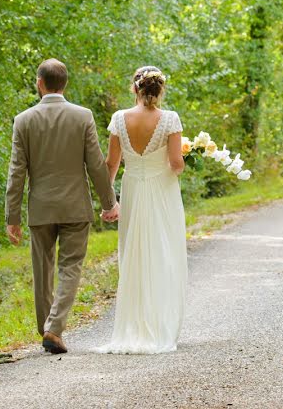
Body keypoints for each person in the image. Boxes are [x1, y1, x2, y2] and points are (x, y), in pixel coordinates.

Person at [4, 58, 119, 354]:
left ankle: (47, 328)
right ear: (64, 84)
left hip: (41, 207)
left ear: (40, 83)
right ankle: (53, 329)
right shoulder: (83, 116)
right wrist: (109, 202)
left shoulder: (23, 120)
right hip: (75, 206)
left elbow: (17, 171)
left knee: (42, 270)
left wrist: (12, 216)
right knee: (70, 267)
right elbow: (95, 164)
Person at [97, 66, 187, 354]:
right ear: (160, 90)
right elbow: (175, 164)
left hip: (133, 188)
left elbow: (111, 164)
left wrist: (108, 201)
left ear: (134, 88)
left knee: (134, 252)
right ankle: (160, 325)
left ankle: (134, 325)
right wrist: (185, 157)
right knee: (163, 252)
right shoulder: (170, 119)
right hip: (162, 192)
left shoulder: (118, 119)